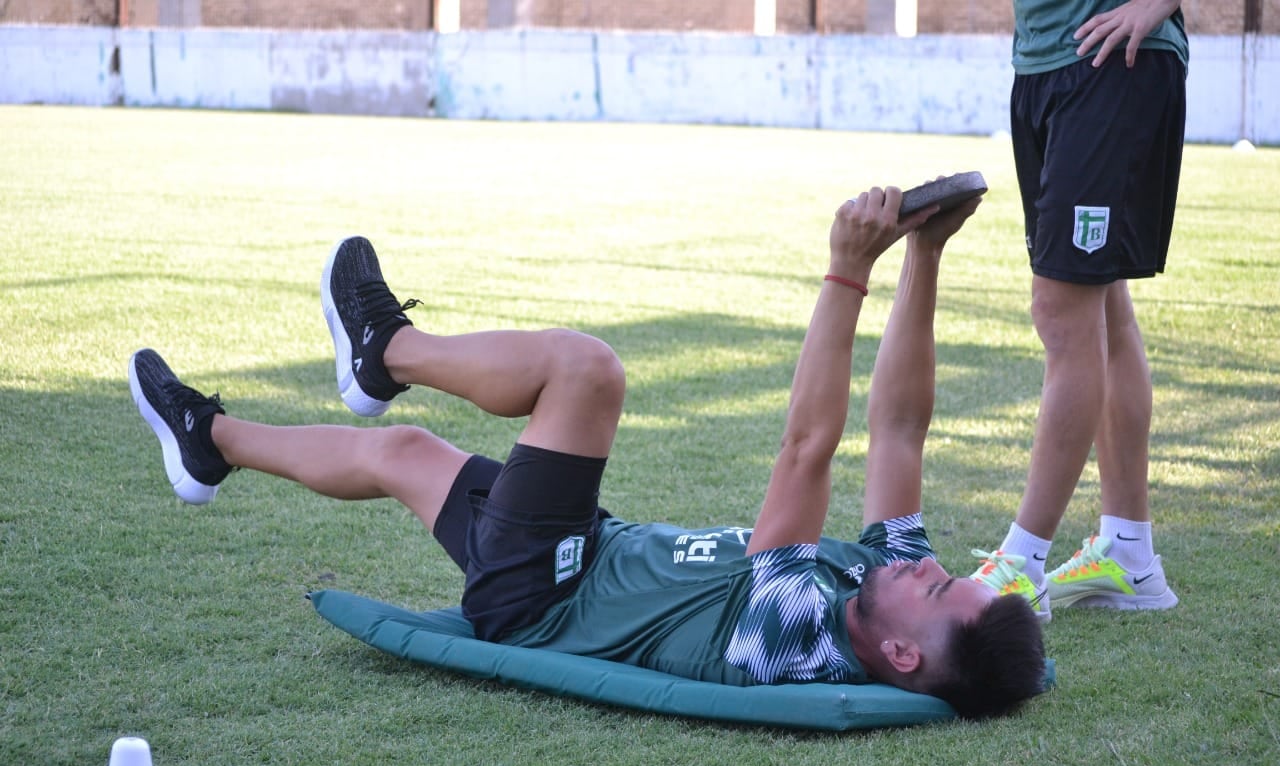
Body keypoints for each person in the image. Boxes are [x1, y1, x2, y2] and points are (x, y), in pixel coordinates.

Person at [129, 186, 1046, 720]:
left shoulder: (794, 636)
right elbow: (900, 430)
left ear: (900, 652)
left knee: (586, 374)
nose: (925, 564)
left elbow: (809, 447)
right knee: (402, 452)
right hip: (587, 556)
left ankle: (389, 350)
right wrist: (924, 255)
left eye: (932, 588)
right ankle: (209, 443)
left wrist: (849, 268)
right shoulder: (890, 589)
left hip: (547, 590)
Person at [973, 0, 1186, 619]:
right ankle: (1129, 553)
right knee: (1101, 303)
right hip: (1043, 66)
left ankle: (1023, 564)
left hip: (1110, 64)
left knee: (1061, 310)